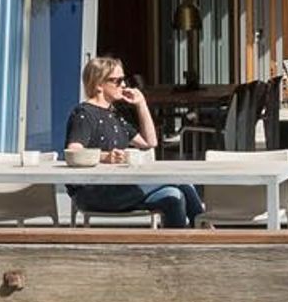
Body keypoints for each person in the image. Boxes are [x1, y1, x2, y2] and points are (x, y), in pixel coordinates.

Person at [64, 56, 207, 228]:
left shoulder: (114, 115)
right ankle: (205, 228)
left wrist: (141, 104)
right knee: (180, 180)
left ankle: (174, 251)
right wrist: (105, 157)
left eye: (124, 80)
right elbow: (74, 152)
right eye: (117, 81)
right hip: (95, 192)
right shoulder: (84, 114)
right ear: (98, 84)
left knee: (173, 196)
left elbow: (149, 141)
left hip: (120, 188)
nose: (124, 85)